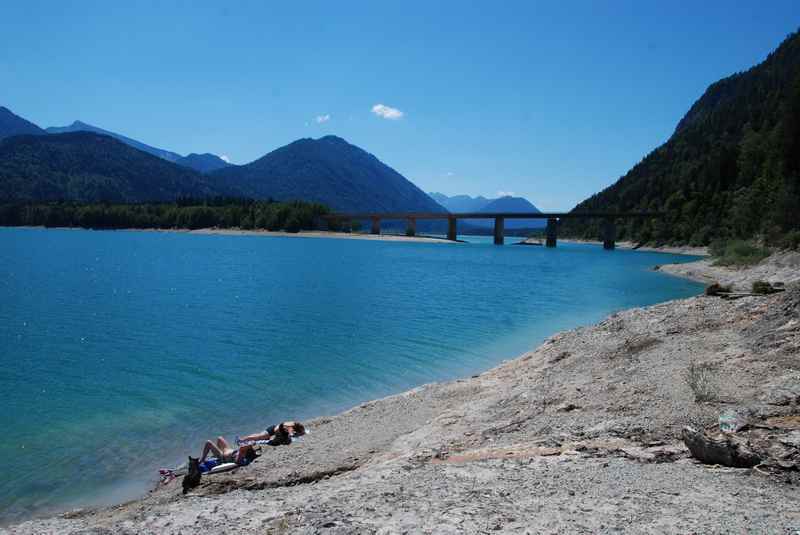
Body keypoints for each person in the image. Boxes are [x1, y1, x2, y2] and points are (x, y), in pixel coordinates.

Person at [239, 421, 305, 445]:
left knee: (259, 437)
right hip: (273, 430)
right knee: (259, 437)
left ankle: (244, 441)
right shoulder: (291, 427)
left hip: (273, 429)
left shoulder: (292, 424)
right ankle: (242, 440)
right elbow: (290, 433)